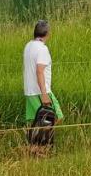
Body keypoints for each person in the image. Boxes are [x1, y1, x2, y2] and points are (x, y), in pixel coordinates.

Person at [22, 19, 62, 155]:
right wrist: (44, 94)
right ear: (47, 33)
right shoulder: (42, 49)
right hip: (41, 91)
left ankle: (34, 149)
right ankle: (42, 148)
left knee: (36, 122)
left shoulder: (28, 46)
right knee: (56, 116)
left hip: (29, 91)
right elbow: (40, 71)